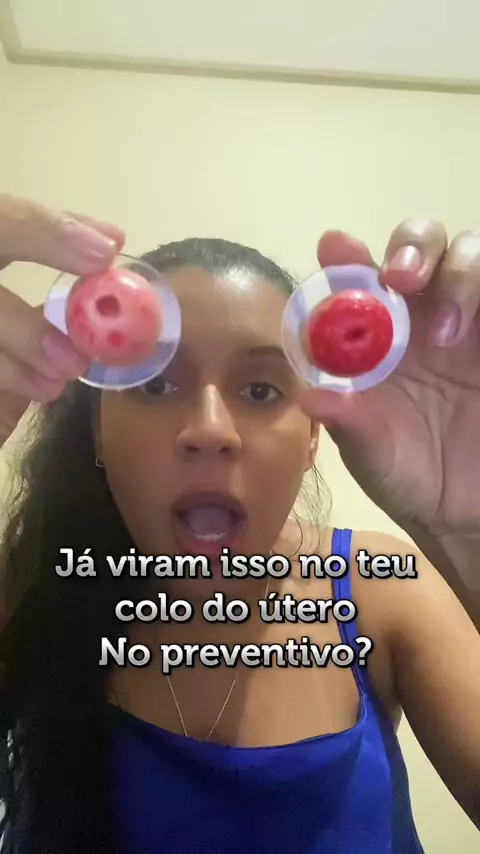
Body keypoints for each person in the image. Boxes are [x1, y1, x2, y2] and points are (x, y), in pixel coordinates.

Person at [0, 194, 478, 854]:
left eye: (260, 390)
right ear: (99, 432)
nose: (210, 430)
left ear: (313, 435)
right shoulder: (25, 598)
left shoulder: (379, 592)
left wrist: (466, 533)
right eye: (155, 385)